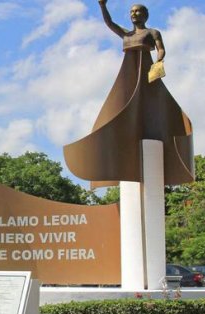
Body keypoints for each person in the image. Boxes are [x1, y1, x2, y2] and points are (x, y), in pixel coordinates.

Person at [63, 0, 194, 189]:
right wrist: (102, 6)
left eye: (138, 11)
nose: (134, 14)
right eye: (132, 11)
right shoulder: (126, 34)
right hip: (128, 76)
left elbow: (161, 48)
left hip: (147, 72)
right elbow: (109, 24)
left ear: (145, 15)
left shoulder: (152, 32)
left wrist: (159, 62)